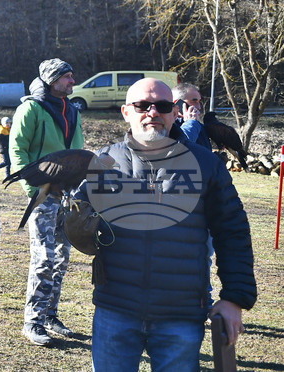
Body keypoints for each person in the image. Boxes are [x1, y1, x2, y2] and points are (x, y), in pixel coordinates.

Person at [80, 78, 257, 371]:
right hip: (115, 311)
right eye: (142, 105)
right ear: (126, 112)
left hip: (181, 315)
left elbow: (232, 230)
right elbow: (75, 227)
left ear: (175, 112)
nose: (153, 112)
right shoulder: (104, 162)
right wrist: (74, 221)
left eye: (162, 106)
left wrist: (234, 298)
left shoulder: (205, 164)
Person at [9, 58, 83, 346]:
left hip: (68, 195)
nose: (72, 82)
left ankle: (51, 316)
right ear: (53, 80)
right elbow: (17, 149)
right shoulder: (30, 108)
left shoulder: (73, 110)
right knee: (43, 258)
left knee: (62, 258)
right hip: (41, 195)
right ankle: (33, 321)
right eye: (67, 77)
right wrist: (32, 189)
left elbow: (78, 152)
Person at [173, 82, 212, 150]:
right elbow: (181, 148)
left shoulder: (197, 124)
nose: (199, 107)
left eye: (199, 101)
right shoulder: (167, 126)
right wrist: (190, 123)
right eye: (194, 101)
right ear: (177, 103)